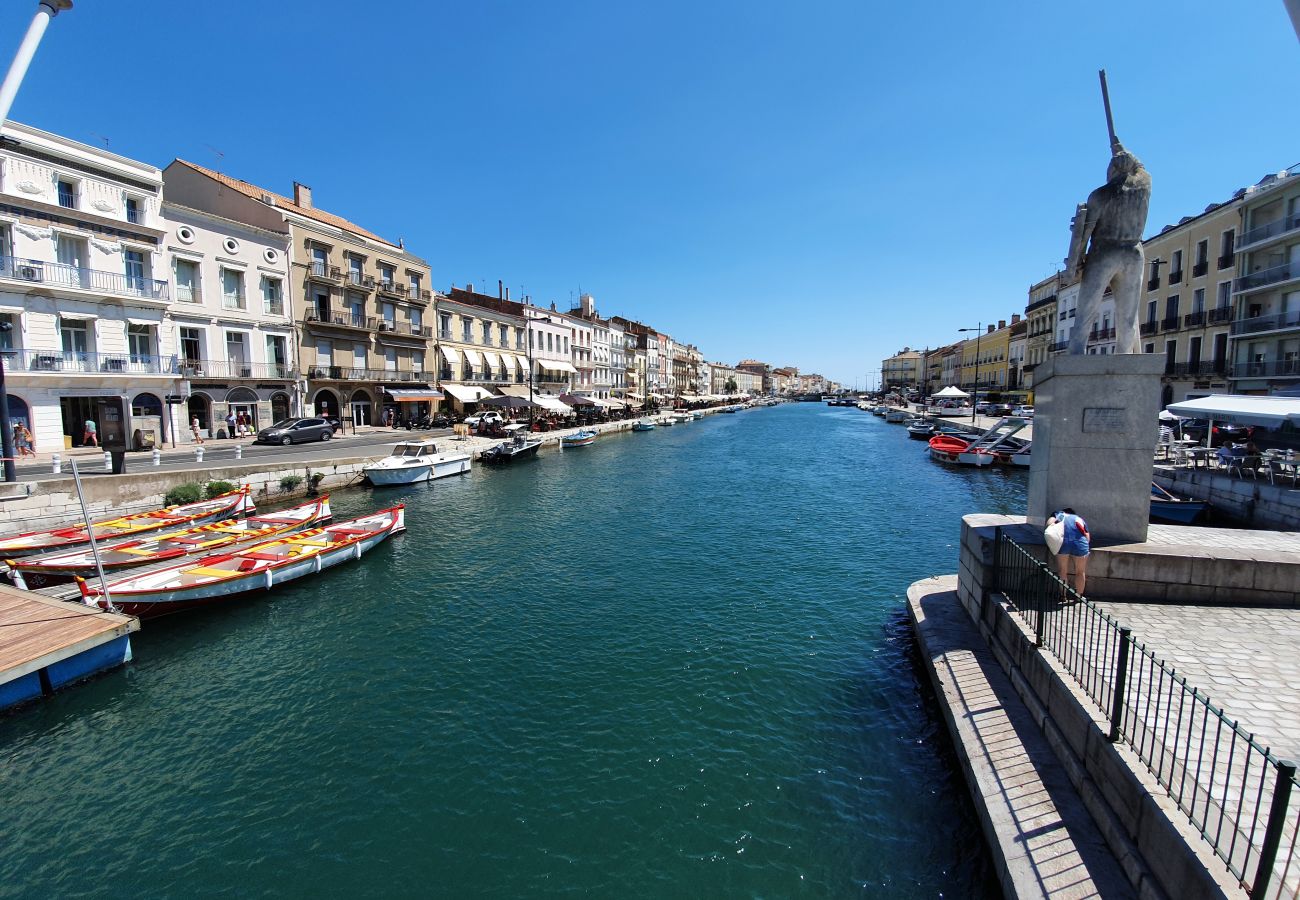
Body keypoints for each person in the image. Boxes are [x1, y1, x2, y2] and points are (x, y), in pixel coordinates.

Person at [1048, 508, 1091, 598]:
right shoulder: (1079, 519)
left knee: (1062, 571)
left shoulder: (1058, 514)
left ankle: (1063, 595)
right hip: (1080, 543)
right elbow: (1087, 536)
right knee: (1080, 571)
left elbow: (1049, 525)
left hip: (1064, 542)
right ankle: (1079, 596)